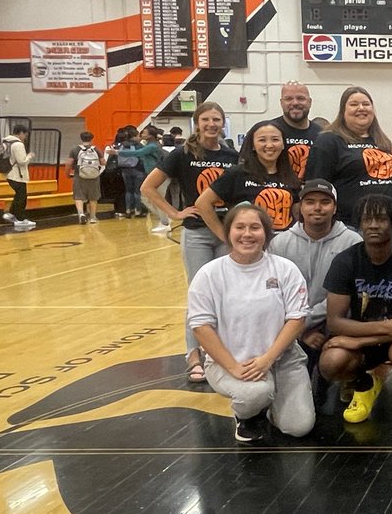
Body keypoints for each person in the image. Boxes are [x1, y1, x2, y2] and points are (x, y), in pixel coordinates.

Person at [187, 202, 315, 444]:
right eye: (240, 227)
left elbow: (297, 319)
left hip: (282, 360)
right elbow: (201, 327)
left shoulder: (285, 269)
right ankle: (246, 415)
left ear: (266, 233)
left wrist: (267, 360)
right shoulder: (209, 274)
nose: (247, 234)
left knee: (298, 427)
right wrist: (233, 367)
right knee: (256, 392)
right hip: (233, 362)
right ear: (228, 232)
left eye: (255, 227)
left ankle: (272, 404)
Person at [140, 101, 239, 382]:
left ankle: (217, 354)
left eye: (216, 120)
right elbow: (147, 187)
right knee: (199, 295)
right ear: (197, 123)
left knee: (226, 296)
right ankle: (193, 354)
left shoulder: (232, 155)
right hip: (197, 232)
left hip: (225, 231)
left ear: (223, 123)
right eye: (206, 119)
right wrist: (174, 213)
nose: (211, 125)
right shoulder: (182, 154)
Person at [321, 194, 392, 425]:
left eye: (381, 219)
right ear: (359, 224)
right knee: (331, 362)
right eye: (367, 219)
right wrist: (385, 329)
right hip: (375, 333)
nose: (373, 225)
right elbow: (335, 322)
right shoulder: (345, 261)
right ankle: (364, 384)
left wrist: (358, 341)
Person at [269, 179, 363, 367]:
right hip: (289, 325)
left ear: (335, 208)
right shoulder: (279, 243)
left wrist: (305, 323)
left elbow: (350, 294)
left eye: (325, 202)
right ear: (300, 207)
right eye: (310, 202)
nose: (317, 208)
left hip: (337, 325)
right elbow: (274, 292)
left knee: (333, 364)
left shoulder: (353, 242)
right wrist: (301, 331)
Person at [305, 86, 392, 225]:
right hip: (351, 225)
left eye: (366, 104)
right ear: (343, 111)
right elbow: (316, 185)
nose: (361, 108)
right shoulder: (328, 141)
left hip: (390, 224)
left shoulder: (381, 141)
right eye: (354, 104)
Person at [196, 120, 300, 239]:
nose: (269, 145)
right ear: (253, 145)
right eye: (262, 140)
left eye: (275, 139)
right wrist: (224, 237)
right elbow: (202, 203)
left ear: (283, 144)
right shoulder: (237, 173)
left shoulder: (290, 176)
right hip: (250, 246)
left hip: (283, 245)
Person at [270, 81, 323, 180]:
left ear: (310, 102)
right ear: (281, 103)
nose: (295, 103)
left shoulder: (323, 135)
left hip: (310, 193)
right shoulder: (267, 132)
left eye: (300, 98)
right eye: (288, 99)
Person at [118, 126, 166, 228]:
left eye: (144, 133)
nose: (141, 135)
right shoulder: (148, 144)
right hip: (153, 174)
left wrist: (118, 152)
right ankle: (164, 220)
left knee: (157, 198)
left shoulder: (152, 146)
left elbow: (138, 153)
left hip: (159, 174)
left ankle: (165, 222)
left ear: (150, 135)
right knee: (147, 198)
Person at [0, 124, 35, 231]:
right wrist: (30, 156)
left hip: (8, 173)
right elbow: (22, 161)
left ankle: (10, 214)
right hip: (17, 175)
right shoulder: (18, 145)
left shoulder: (6, 142)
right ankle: (20, 219)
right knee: (22, 197)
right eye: (25, 134)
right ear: (21, 133)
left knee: (19, 195)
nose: (25, 136)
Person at [66, 130, 104, 224]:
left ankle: (81, 214)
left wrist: (67, 174)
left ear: (81, 138)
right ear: (92, 138)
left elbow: (69, 163)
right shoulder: (96, 149)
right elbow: (103, 162)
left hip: (79, 175)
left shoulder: (75, 149)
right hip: (94, 176)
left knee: (78, 196)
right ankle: (93, 217)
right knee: (93, 197)